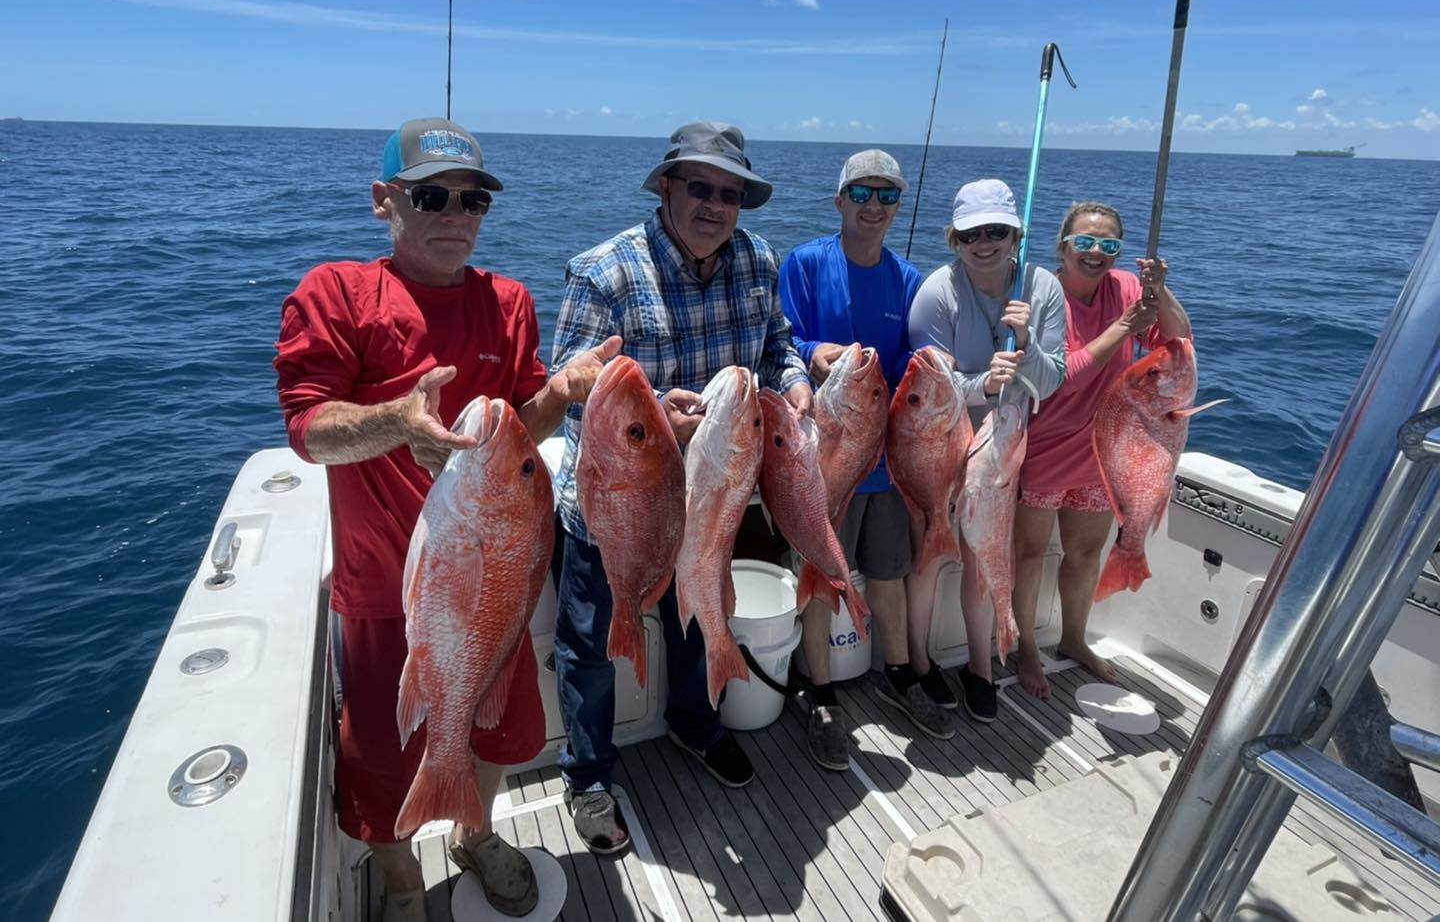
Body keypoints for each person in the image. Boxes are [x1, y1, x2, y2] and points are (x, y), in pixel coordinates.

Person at [274, 118, 618, 922]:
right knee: (381, 755)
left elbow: (522, 429)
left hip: (494, 571)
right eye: (432, 196)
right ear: (382, 201)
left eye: (474, 201)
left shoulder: (508, 302)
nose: (456, 214)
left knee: (503, 731)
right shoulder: (337, 294)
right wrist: (396, 420)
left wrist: (562, 392)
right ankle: (400, 882)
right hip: (383, 586)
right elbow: (308, 428)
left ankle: (474, 833)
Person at [550, 121, 813, 854]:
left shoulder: (757, 262)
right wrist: (653, 415)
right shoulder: (604, 272)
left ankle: (697, 727)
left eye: (730, 194)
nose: (714, 205)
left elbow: (777, 344)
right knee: (593, 647)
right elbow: (568, 387)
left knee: (700, 621)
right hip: (618, 509)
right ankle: (590, 777)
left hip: (712, 501)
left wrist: (794, 387)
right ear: (665, 187)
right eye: (698, 186)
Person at [778, 149, 955, 771]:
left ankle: (901, 671)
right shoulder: (803, 263)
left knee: (889, 573)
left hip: (885, 462)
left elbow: (915, 361)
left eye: (887, 195)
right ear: (839, 200)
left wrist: (940, 368)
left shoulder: (908, 280)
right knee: (823, 576)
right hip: (822, 455)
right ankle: (819, 691)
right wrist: (813, 348)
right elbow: (780, 337)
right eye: (862, 193)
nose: (875, 206)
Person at [1012, 201, 1190, 698]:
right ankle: (1026, 645)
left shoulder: (1129, 291)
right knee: (1027, 555)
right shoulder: (1043, 295)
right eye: (1085, 242)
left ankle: (1073, 639)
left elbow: (1178, 337)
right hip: (1045, 447)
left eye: (1109, 245)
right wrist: (1123, 330)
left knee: (1086, 552)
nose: (1096, 252)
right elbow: (1058, 381)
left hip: (1105, 452)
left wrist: (1158, 290)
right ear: (1062, 246)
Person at [907, 178, 1066, 723]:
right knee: (927, 558)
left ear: (1015, 234)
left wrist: (1028, 347)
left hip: (1000, 452)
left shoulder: (1042, 289)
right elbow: (930, 385)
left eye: (996, 230)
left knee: (980, 558)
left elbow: (1053, 382)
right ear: (954, 239)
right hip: (938, 445)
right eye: (970, 233)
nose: (984, 242)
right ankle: (919, 663)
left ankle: (981, 666)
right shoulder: (937, 293)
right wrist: (985, 387)